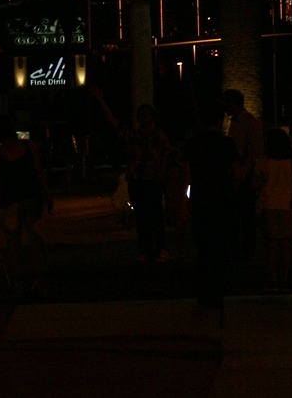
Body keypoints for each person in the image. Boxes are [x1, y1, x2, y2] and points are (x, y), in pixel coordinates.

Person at [92, 88, 174, 263]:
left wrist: (163, 173)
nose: (142, 118)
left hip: (152, 180)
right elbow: (113, 122)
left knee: (156, 215)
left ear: (152, 117)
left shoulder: (158, 136)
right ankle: (145, 249)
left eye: (145, 115)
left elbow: (168, 155)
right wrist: (101, 101)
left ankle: (161, 248)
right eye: (140, 115)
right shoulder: (134, 135)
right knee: (142, 216)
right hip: (137, 180)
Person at [0, 115, 53, 295]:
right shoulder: (28, 147)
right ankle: (40, 281)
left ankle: (18, 283)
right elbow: (39, 173)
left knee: (13, 244)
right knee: (36, 240)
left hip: (10, 201)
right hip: (32, 198)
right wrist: (48, 194)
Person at [182, 103, 239, 310]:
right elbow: (235, 173)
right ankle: (217, 289)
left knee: (203, 247)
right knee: (219, 245)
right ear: (220, 120)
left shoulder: (192, 144)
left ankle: (204, 292)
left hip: (200, 198)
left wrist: (184, 201)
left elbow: (187, 175)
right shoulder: (227, 143)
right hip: (222, 199)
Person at [253, 127, 292, 292]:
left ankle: (272, 279)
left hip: (268, 204)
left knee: (272, 243)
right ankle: (285, 278)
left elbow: (255, 183)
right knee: (285, 243)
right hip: (286, 205)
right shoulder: (290, 163)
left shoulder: (263, 163)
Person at [223, 89, 264, 262]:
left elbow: (252, 152)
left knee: (245, 216)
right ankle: (241, 251)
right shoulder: (239, 122)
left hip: (242, 175)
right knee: (239, 216)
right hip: (238, 173)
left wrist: (241, 173)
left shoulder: (248, 123)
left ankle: (245, 252)